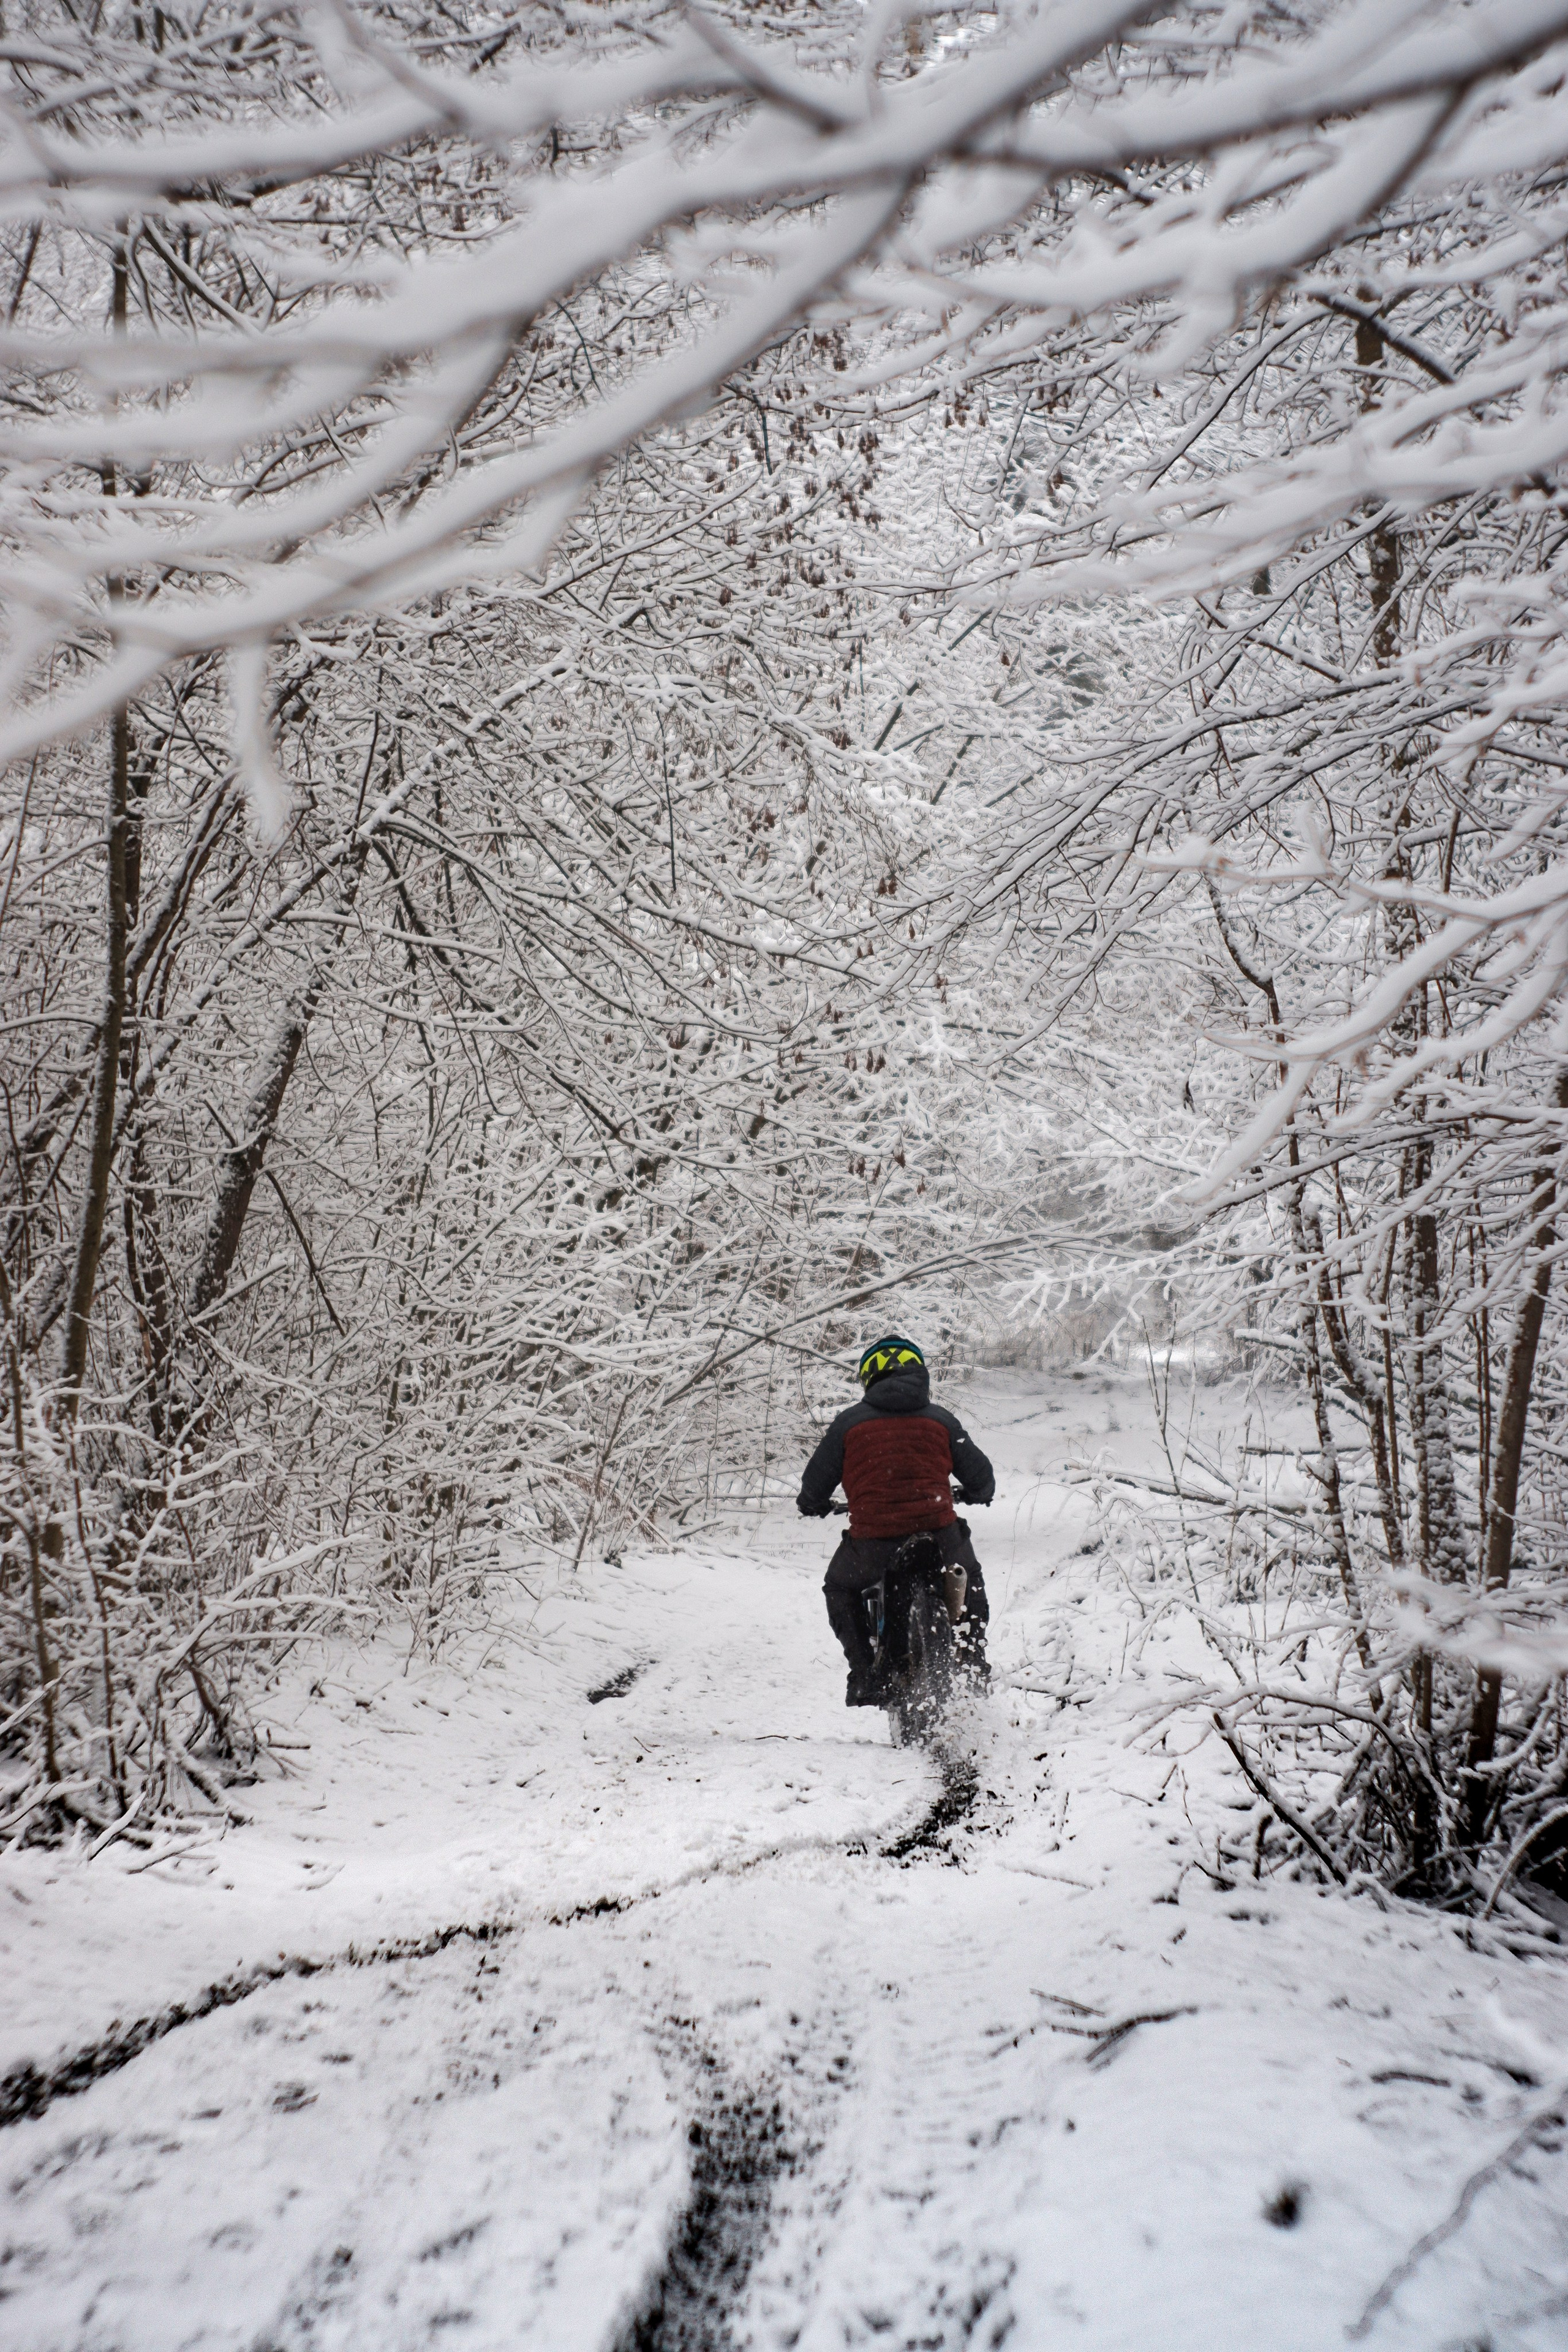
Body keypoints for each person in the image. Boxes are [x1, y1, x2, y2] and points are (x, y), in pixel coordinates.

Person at [796, 1333, 994, 1705]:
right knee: (970, 1579)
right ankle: (974, 1662)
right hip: (940, 1537)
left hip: (875, 1545)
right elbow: (982, 1476)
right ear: (920, 1373)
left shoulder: (849, 1424)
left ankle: (864, 1675)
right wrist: (978, 1494)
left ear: (869, 1377)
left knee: (839, 1588)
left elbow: (814, 1484)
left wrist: (813, 1503)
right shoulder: (941, 1421)